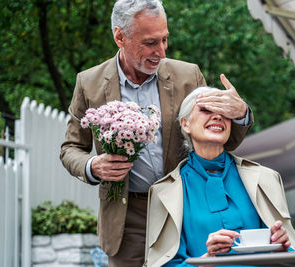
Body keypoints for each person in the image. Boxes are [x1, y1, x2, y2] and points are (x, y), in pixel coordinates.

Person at [60, 0, 252, 266]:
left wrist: (241, 113)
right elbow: (70, 148)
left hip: (186, 206)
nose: (161, 52)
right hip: (128, 217)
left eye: (164, 40)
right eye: (150, 43)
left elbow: (218, 140)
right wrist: (94, 166)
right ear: (120, 37)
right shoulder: (89, 83)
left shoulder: (188, 75)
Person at [145, 86, 295, 267]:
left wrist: (282, 248)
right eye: (206, 109)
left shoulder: (266, 178)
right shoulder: (163, 192)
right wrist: (206, 261)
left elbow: (292, 258)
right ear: (185, 124)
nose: (218, 116)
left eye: (224, 111)